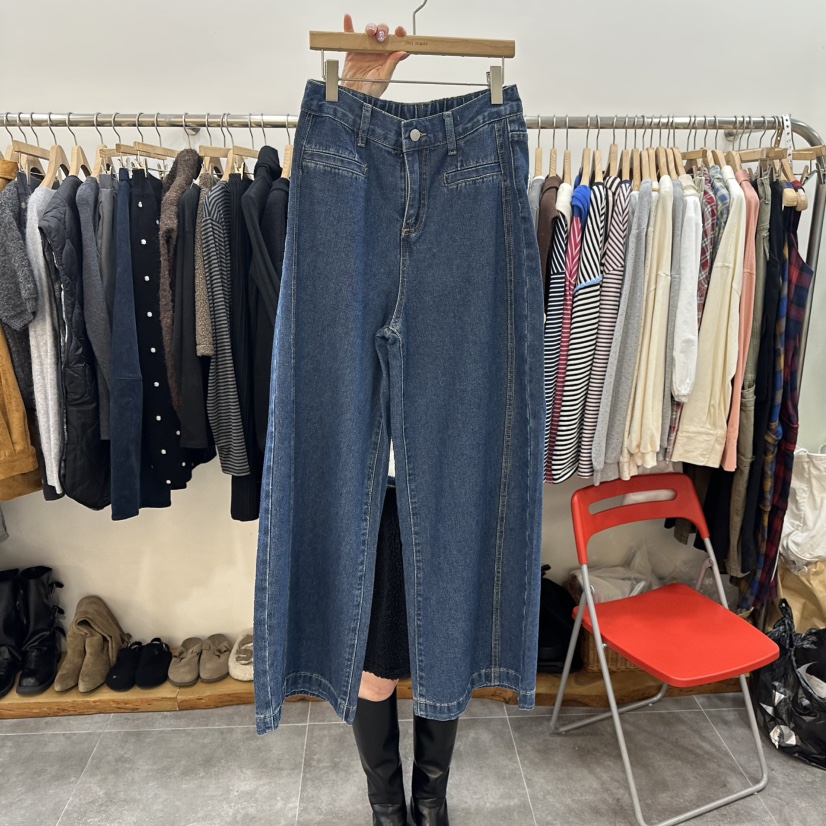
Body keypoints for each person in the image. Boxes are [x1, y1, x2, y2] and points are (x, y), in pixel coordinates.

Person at [339, 15, 459, 826]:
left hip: (446, 471)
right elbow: (331, 210)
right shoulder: (349, 229)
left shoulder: (470, 218)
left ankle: (430, 798)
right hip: (371, 488)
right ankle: (388, 803)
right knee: (377, 661)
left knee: (445, 650)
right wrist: (355, 98)